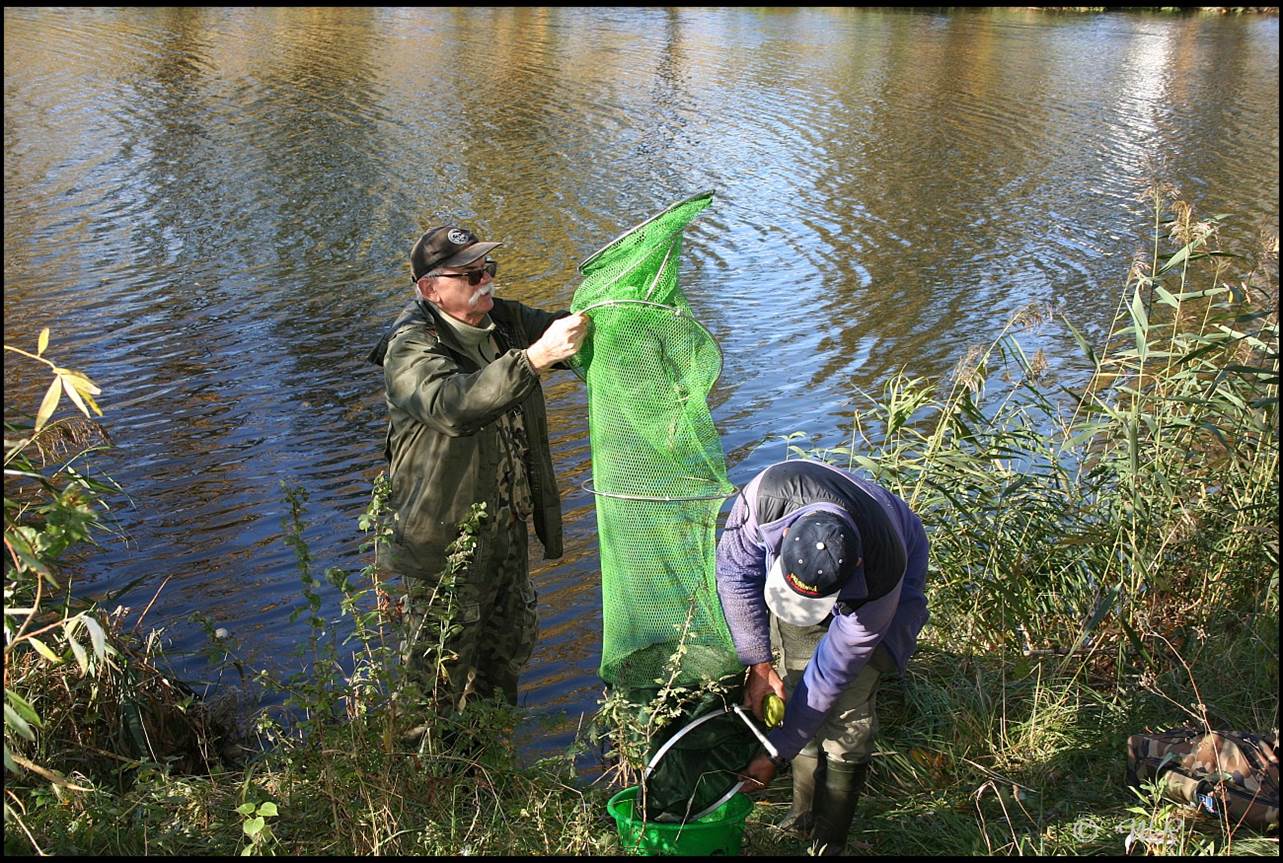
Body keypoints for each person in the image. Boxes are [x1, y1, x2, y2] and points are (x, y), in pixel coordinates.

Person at [368, 224, 589, 709]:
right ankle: (420, 781)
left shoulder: (504, 320)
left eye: (488, 268)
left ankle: (488, 779)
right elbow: (452, 405)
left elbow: (571, 330)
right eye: (468, 274)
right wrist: (535, 359)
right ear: (431, 289)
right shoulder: (409, 347)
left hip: (506, 534)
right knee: (433, 684)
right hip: (444, 546)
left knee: (503, 663)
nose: (485, 280)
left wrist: (596, 321)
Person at [714, 457, 929, 855]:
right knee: (795, 685)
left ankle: (829, 844)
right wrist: (758, 663)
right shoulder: (763, 497)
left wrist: (773, 754)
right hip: (819, 561)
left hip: (877, 588)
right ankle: (801, 816)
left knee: (848, 711)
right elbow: (734, 574)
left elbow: (829, 677)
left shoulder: (882, 573)